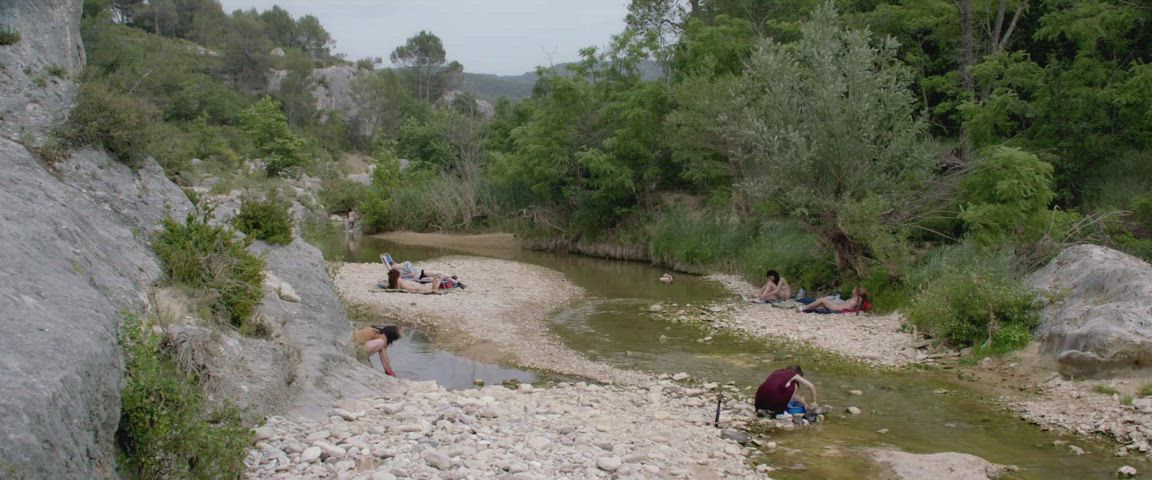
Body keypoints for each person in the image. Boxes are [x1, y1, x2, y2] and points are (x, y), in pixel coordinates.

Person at [800, 286, 869, 314]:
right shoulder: (855, 298)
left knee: (822, 300)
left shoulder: (858, 299)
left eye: (854, 289)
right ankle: (806, 308)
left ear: (857, 292)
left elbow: (858, 308)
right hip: (837, 306)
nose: (852, 290)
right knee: (821, 304)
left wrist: (853, 312)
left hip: (837, 308)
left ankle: (805, 307)